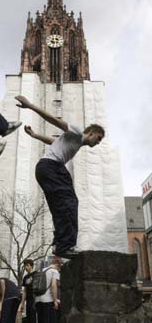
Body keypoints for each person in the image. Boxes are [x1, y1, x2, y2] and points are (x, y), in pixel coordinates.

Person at [15, 95, 105, 258]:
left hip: (43, 169)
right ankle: (66, 245)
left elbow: (52, 141)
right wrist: (30, 105)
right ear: (91, 132)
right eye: (98, 138)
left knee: (59, 206)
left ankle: (59, 243)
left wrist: (35, 135)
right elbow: (54, 121)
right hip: (52, 167)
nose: (97, 143)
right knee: (70, 202)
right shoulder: (77, 132)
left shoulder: (74, 142)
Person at [34, 256, 62, 323]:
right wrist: (55, 300)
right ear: (58, 264)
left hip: (37, 300)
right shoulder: (54, 272)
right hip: (47, 300)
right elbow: (54, 286)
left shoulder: (42, 270)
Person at [20, 259, 37, 323]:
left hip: (36, 300)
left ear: (31, 265)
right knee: (29, 322)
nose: (26, 268)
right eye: (25, 266)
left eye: (27, 265)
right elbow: (25, 291)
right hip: (29, 301)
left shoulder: (36, 274)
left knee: (34, 322)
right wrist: (22, 303)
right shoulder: (25, 277)